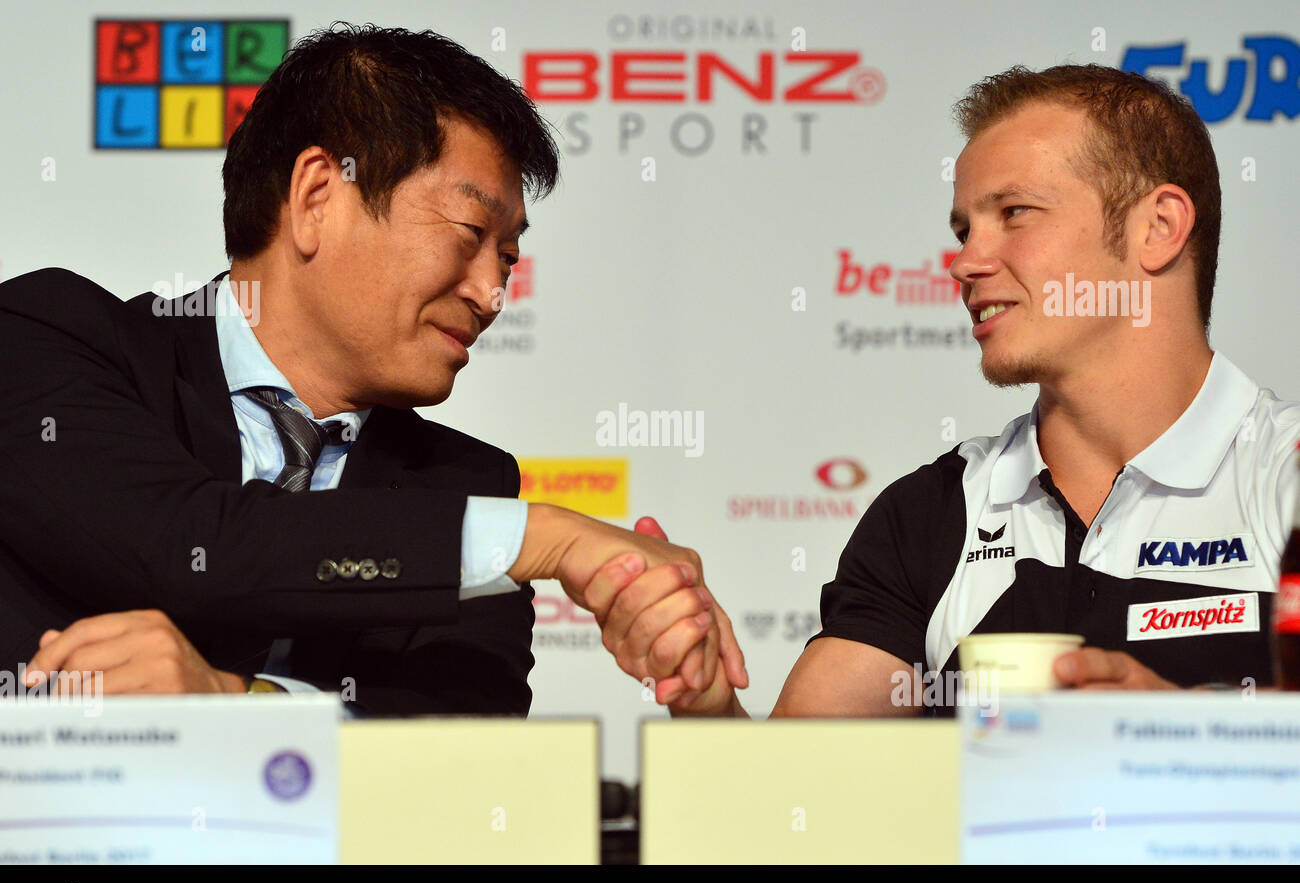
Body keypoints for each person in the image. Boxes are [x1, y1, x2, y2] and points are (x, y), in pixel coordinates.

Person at [0, 24, 746, 713]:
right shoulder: (50, 335)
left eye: (508, 259)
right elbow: (184, 543)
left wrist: (244, 703)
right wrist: (548, 537)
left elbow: (463, 753)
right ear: (318, 196)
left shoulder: (469, 489)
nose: (492, 294)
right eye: (469, 232)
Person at [600, 64, 1300, 717]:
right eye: (965, 228)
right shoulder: (928, 513)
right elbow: (793, 800)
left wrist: (1190, 739)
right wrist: (710, 704)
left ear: (1160, 227)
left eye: (1016, 213)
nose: (966, 261)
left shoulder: (1284, 475)